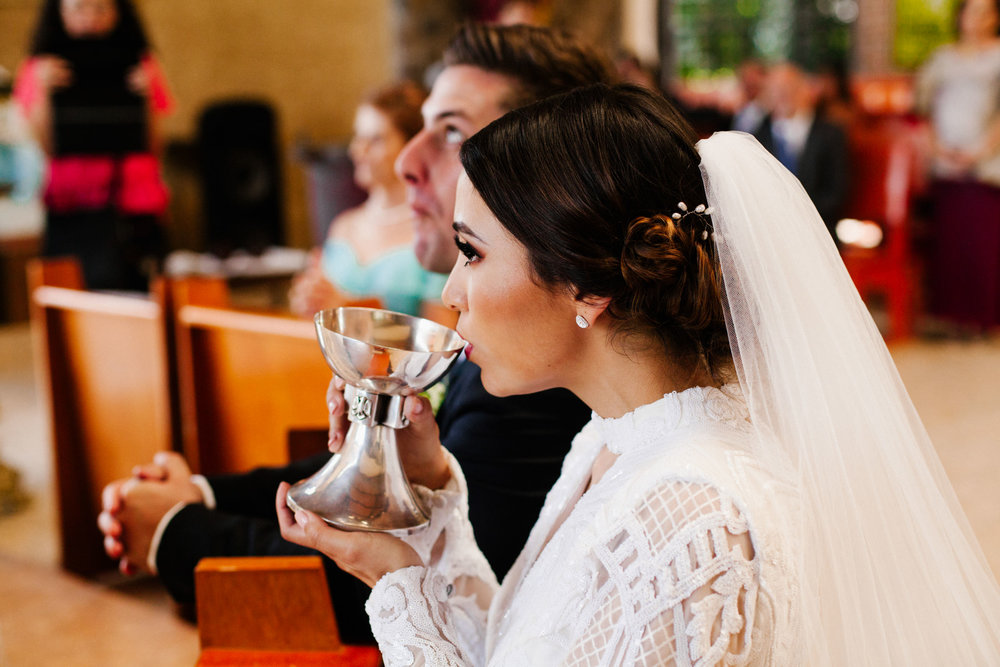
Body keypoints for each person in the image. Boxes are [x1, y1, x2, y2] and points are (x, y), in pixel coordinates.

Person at [277, 83, 1000, 665]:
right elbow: (522, 649)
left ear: (589, 285)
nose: (451, 293)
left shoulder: (691, 522)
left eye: (473, 252)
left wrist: (397, 586)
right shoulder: (615, 437)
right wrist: (427, 497)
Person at [98, 23, 613, 644]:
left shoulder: (544, 364)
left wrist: (176, 529)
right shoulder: (509, 336)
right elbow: (377, 490)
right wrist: (202, 494)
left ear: (546, 174)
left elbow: (431, 598)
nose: (403, 162)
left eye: (451, 131)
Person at [14, 0, 171, 291]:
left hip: (132, 207)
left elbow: (155, 144)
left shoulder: (140, 63)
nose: (90, 18)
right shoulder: (41, 67)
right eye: (79, 8)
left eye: (101, 9)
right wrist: (45, 93)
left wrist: (145, 98)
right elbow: (43, 146)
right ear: (59, 13)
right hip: (72, 207)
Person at [288, 81, 450, 320]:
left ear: (412, 148)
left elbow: (443, 340)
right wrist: (308, 299)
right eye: (357, 137)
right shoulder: (343, 226)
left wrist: (351, 314)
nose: (357, 150)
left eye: (375, 140)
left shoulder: (437, 231)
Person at [916, 0, 1000, 332]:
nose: (978, 19)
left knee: (984, 241)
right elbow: (924, 107)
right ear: (960, 16)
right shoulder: (942, 58)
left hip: (988, 163)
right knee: (952, 241)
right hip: (945, 161)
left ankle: (986, 318)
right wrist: (938, 148)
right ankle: (952, 317)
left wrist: (980, 150)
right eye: (972, 11)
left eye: (986, 11)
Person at [753, 62, 848, 237]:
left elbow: (836, 193)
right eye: (775, 89)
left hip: (818, 230)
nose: (782, 95)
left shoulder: (830, 134)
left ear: (804, 90)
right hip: (770, 233)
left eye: (788, 88)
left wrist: (798, 217)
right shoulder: (757, 136)